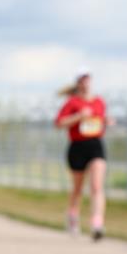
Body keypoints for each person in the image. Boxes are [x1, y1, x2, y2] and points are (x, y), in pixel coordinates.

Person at [54, 69, 112, 241]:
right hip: (77, 146)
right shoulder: (72, 103)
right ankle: (72, 215)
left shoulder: (99, 102)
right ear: (79, 84)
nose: (87, 85)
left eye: (89, 81)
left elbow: (100, 121)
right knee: (78, 188)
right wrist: (79, 116)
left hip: (95, 145)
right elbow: (59, 123)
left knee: (96, 186)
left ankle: (97, 224)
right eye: (83, 81)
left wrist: (107, 121)